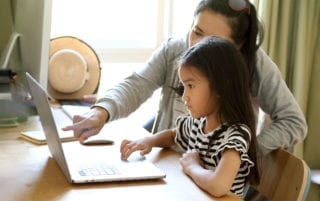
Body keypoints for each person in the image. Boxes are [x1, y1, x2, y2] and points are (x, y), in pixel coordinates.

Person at [63, 0, 307, 155]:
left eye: (212, 41)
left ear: (238, 46)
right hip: (168, 163)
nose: (196, 47)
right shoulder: (175, 49)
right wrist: (101, 112)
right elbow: (139, 83)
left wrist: (246, 150)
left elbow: (294, 122)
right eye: (196, 32)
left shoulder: (256, 65)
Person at [120, 37, 260, 198]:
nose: (184, 96)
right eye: (183, 86)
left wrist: (192, 166)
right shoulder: (198, 124)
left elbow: (219, 186)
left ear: (221, 86)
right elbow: (174, 135)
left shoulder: (235, 135)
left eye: (191, 86)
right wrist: (148, 141)